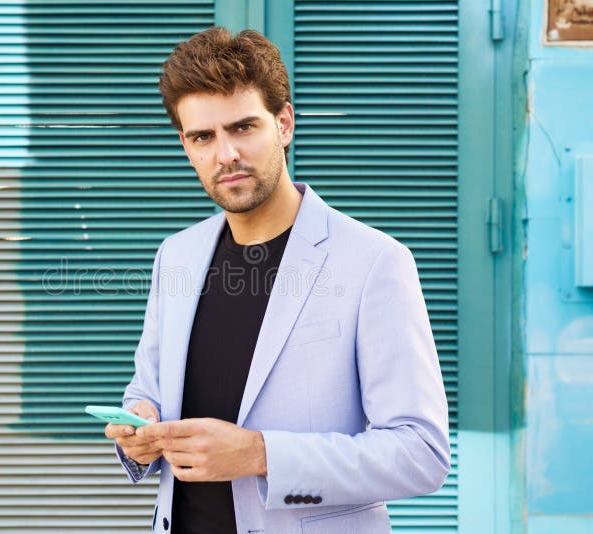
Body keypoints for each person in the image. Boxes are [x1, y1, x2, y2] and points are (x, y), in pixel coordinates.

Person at [103, 26, 450, 534]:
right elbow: (148, 390)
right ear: (185, 144)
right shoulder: (175, 255)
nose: (225, 155)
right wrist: (140, 426)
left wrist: (261, 454)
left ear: (283, 123)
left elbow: (421, 452)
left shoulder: (376, 261)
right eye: (204, 136)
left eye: (243, 127)